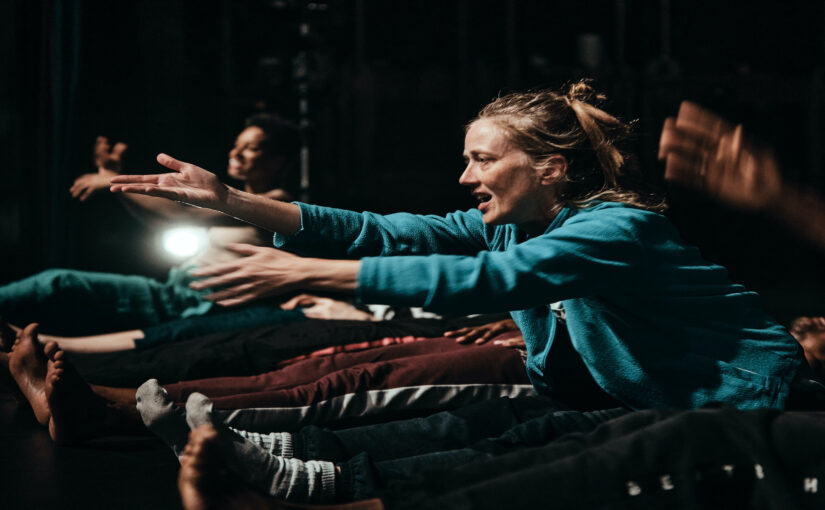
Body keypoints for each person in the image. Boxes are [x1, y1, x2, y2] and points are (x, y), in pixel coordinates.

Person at [110, 81, 805, 412]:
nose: (465, 176)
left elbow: (493, 281)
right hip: (641, 402)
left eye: (481, 160)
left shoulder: (614, 228)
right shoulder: (507, 222)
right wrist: (230, 200)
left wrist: (302, 271)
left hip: (751, 405)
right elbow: (377, 230)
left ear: (549, 169)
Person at [0, 113, 303, 342]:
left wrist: (112, 183)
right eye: (236, 144)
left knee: (58, 285)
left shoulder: (277, 202)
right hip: (176, 293)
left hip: (192, 305)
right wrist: (114, 182)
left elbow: (189, 216)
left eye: (251, 148)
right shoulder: (236, 200)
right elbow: (162, 219)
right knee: (58, 291)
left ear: (279, 161)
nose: (235, 152)